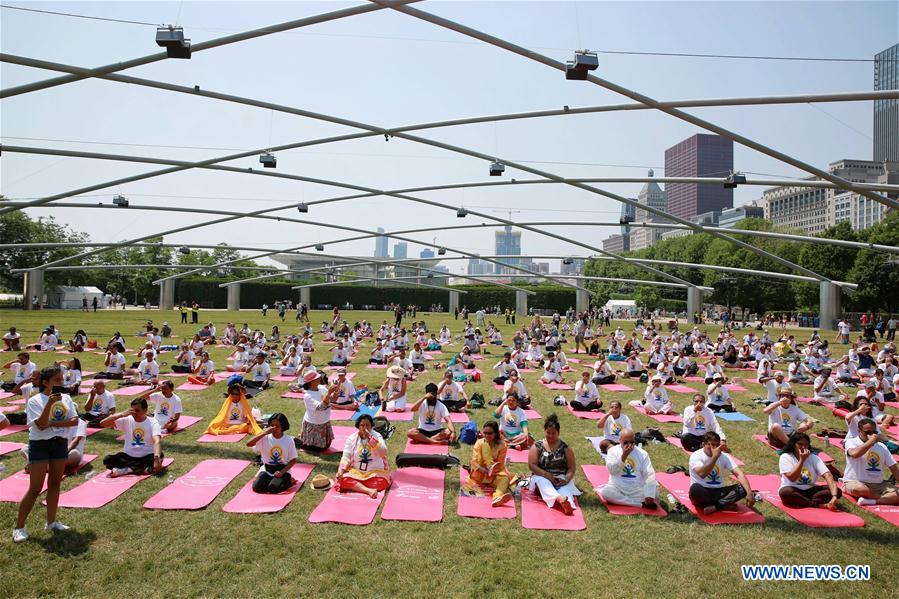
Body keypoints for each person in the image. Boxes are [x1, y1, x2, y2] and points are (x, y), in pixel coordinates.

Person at [13, 366, 79, 543]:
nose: (61, 381)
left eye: (61, 378)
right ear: (45, 382)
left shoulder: (66, 397)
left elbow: (75, 420)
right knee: (35, 488)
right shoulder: (35, 401)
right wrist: (49, 404)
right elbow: (40, 425)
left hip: (59, 443)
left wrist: (53, 424)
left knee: (55, 483)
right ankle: (19, 527)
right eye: (57, 379)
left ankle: (51, 522)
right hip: (40, 445)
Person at [688, 432, 756, 515]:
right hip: (702, 492)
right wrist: (714, 457)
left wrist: (749, 493)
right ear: (703, 444)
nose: (714, 448)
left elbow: (739, 473)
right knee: (695, 489)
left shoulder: (724, 456)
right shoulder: (696, 456)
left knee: (743, 488)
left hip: (718, 492)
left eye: (717, 445)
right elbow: (702, 474)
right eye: (711, 444)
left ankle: (716, 506)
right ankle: (723, 504)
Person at [527, 414, 580, 516]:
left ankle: (569, 504)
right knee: (544, 484)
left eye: (553, 433)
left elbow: (572, 468)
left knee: (565, 489)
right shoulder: (537, 446)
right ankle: (560, 500)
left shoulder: (566, 448)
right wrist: (547, 475)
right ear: (544, 431)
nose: (550, 436)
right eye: (548, 433)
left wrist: (566, 479)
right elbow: (532, 465)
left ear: (558, 433)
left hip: (560, 477)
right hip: (541, 476)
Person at [100, 397, 165, 478]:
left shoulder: (153, 422)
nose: (134, 413)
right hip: (129, 457)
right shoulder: (127, 420)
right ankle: (140, 469)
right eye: (132, 410)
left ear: (145, 410)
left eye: (137, 410)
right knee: (108, 460)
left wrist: (156, 458)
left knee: (159, 456)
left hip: (146, 457)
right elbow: (102, 424)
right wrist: (121, 414)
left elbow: (157, 441)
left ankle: (128, 469)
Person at [842, 418, 899, 506]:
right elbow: (854, 454)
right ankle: (884, 498)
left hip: (878, 484)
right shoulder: (851, 442)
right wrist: (871, 442)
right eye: (868, 432)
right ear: (859, 431)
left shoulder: (882, 446)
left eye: (874, 432)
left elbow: (894, 468)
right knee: (861, 489)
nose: (872, 435)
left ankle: (872, 501)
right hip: (855, 482)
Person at [778, 432, 841, 510]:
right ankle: (818, 505)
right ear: (793, 445)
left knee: (837, 491)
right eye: (800, 444)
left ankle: (804, 501)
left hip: (811, 490)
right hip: (793, 489)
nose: (803, 447)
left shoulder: (813, 457)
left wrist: (834, 496)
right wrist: (802, 460)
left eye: (806, 445)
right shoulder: (785, 457)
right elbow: (792, 478)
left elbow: (828, 475)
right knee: (785, 493)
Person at [600, 428, 659, 509]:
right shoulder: (612, 451)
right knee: (606, 493)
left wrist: (649, 495)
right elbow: (612, 471)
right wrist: (624, 455)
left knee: (654, 493)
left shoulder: (643, 454)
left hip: (636, 489)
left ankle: (626, 501)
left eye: (632, 442)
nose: (629, 445)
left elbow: (649, 474)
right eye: (626, 442)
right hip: (617, 487)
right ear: (620, 440)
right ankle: (639, 505)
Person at [335, 414, 390, 498]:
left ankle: (358, 486)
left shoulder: (377, 436)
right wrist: (341, 471)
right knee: (343, 479)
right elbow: (346, 456)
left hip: (374, 473)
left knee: (382, 482)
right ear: (358, 426)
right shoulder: (351, 438)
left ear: (372, 426)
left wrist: (370, 439)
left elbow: (383, 452)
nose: (365, 428)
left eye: (367, 425)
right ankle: (368, 490)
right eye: (362, 425)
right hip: (357, 472)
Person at [461, 421, 512, 507]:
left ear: (496, 433)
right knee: (485, 445)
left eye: (490, 433)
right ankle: (490, 465)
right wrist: (483, 469)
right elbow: (473, 462)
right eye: (485, 433)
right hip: (480, 473)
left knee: (505, 480)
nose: (487, 436)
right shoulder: (479, 443)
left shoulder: (502, 445)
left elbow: (500, 463)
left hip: (494, 474)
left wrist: (493, 471)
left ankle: (497, 498)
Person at [246, 413, 297, 494]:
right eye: (272, 425)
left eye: (277, 426)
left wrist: (282, 472)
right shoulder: (264, 438)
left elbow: (293, 460)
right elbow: (248, 444)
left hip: (282, 470)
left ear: (282, 427)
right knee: (257, 487)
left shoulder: (289, 440)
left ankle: (290, 480)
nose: (274, 428)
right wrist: (264, 433)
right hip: (267, 469)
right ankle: (270, 480)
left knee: (273, 488)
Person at [296, 371, 334, 452]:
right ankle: (297, 441)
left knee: (325, 447)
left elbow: (333, 399)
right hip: (314, 424)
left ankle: (302, 440)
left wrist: (336, 390)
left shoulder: (321, 388)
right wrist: (329, 393)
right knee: (318, 449)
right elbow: (321, 407)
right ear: (311, 382)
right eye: (316, 378)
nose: (319, 378)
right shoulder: (308, 396)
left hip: (324, 422)